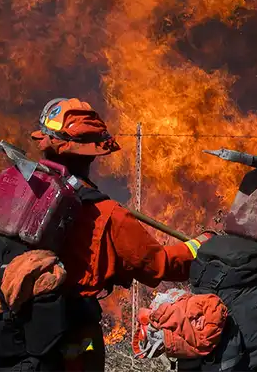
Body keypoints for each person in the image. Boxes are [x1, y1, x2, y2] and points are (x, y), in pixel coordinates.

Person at [32, 97, 209, 371]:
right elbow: (157, 264)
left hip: (22, 328)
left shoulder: (25, 187)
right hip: (73, 332)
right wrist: (200, 246)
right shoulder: (108, 215)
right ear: (93, 153)